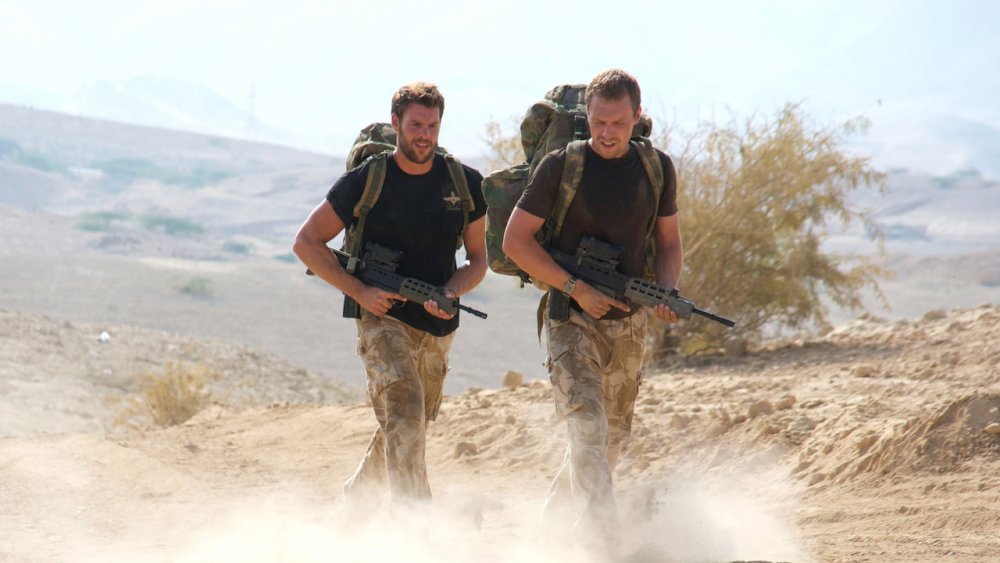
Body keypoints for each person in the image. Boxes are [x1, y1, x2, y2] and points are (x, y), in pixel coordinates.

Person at [502, 69, 683, 550]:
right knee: (587, 430)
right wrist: (576, 288)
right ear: (587, 117)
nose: (607, 133)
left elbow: (669, 243)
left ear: (637, 118)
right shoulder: (562, 166)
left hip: (627, 327)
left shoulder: (657, 168)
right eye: (599, 121)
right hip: (570, 317)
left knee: (608, 445)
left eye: (618, 123)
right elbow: (515, 241)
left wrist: (666, 289)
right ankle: (607, 546)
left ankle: (545, 545)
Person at [293, 82, 487, 506]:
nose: (424, 135)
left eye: (432, 126)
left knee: (407, 426)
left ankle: (357, 502)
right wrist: (360, 291)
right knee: (405, 416)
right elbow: (307, 241)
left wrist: (451, 291)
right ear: (396, 123)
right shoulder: (368, 179)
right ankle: (417, 532)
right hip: (380, 317)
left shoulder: (464, 181)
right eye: (416, 124)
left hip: (436, 324)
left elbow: (477, 261)